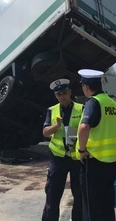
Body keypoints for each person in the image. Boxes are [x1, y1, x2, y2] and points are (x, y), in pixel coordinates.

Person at [76, 69, 116, 221]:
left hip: (93, 161)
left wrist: (81, 150)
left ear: (86, 86)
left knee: (92, 205)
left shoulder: (93, 103)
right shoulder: (112, 103)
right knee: (107, 203)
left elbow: (84, 127)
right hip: (110, 162)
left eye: (83, 85)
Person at [42, 78, 83, 221]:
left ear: (70, 92)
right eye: (59, 94)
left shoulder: (81, 108)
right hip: (58, 158)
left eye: (65, 93)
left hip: (77, 158)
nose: (62, 96)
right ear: (55, 96)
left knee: (79, 195)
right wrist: (56, 126)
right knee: (52, 194)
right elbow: (45, 132)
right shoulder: (51, 110)